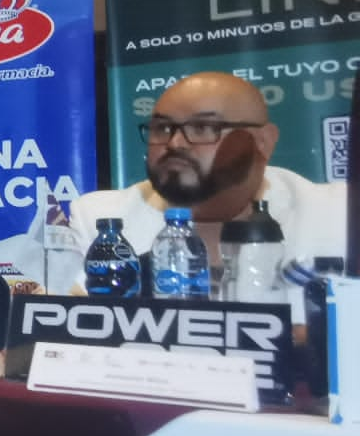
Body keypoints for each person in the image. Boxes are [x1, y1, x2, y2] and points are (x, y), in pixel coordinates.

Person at [69, 70, 346, 298]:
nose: (175, 143)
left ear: (263, 142)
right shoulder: (98, 219)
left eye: (202, 128)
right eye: (162, 129)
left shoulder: (339, 215)